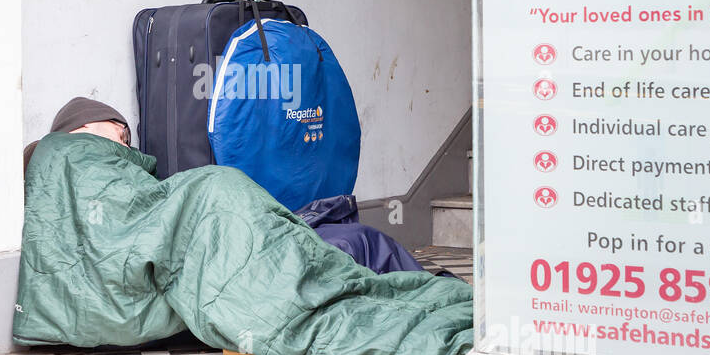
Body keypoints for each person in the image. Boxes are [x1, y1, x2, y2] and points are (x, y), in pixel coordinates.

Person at [26, 96, 436, 275]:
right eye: (115, 131)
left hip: (207, 239)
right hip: (203, 256)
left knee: (349, 237)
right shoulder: (58, 155)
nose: (123, 139)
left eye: (127, 136)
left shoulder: (109, 165)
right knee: (352, 244)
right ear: (78, 129)